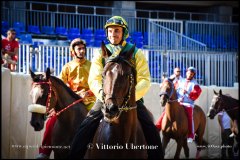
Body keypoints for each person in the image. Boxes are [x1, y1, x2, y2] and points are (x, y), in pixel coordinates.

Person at [69, 16, 163, 159]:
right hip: (106, 98)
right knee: (86, 126)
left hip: (132, 99)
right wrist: (103, 95)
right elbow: (93, 79)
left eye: (117, 31)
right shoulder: (100, 53)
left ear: (124, 33)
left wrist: (130, 97)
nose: (113, 34)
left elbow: (145, 79)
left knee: (151, 128)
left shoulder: (136, 53)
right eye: (110, 31)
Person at [36, 38, 96, 159]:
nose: (82, 51)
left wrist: (87, 93)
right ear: (73, 51)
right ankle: (44, 152)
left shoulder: (92, 66)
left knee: (97, 121)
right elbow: (60, 86)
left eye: (83, 48)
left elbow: (96, 84)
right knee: (51, 121)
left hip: (89, 100)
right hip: (70, 102)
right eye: (79, 49)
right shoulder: (67, 67)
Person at [176, 66, 202, 143]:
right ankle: (158, 126)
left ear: (193, 75)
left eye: (192, 74)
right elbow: (175, 89)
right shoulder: (181, 81)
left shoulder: (195, 84)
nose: (190, 75)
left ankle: (191, 135)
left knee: (190, 117)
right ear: (186, 72)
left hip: (188, 103)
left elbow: (195, 95)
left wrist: (187, 92)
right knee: (166, 110)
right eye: (189, 73)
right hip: (178, 102)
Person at [156, 67, 183, 131]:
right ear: (174, 72)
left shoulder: (183, 81)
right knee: (165, 112)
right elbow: (163, 85)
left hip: (181, 100)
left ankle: (189, 130)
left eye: (179, 71)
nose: (178, 73)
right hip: (171, 100)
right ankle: (158, 126)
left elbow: (182, 90)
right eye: (177, 71)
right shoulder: (170, 79)